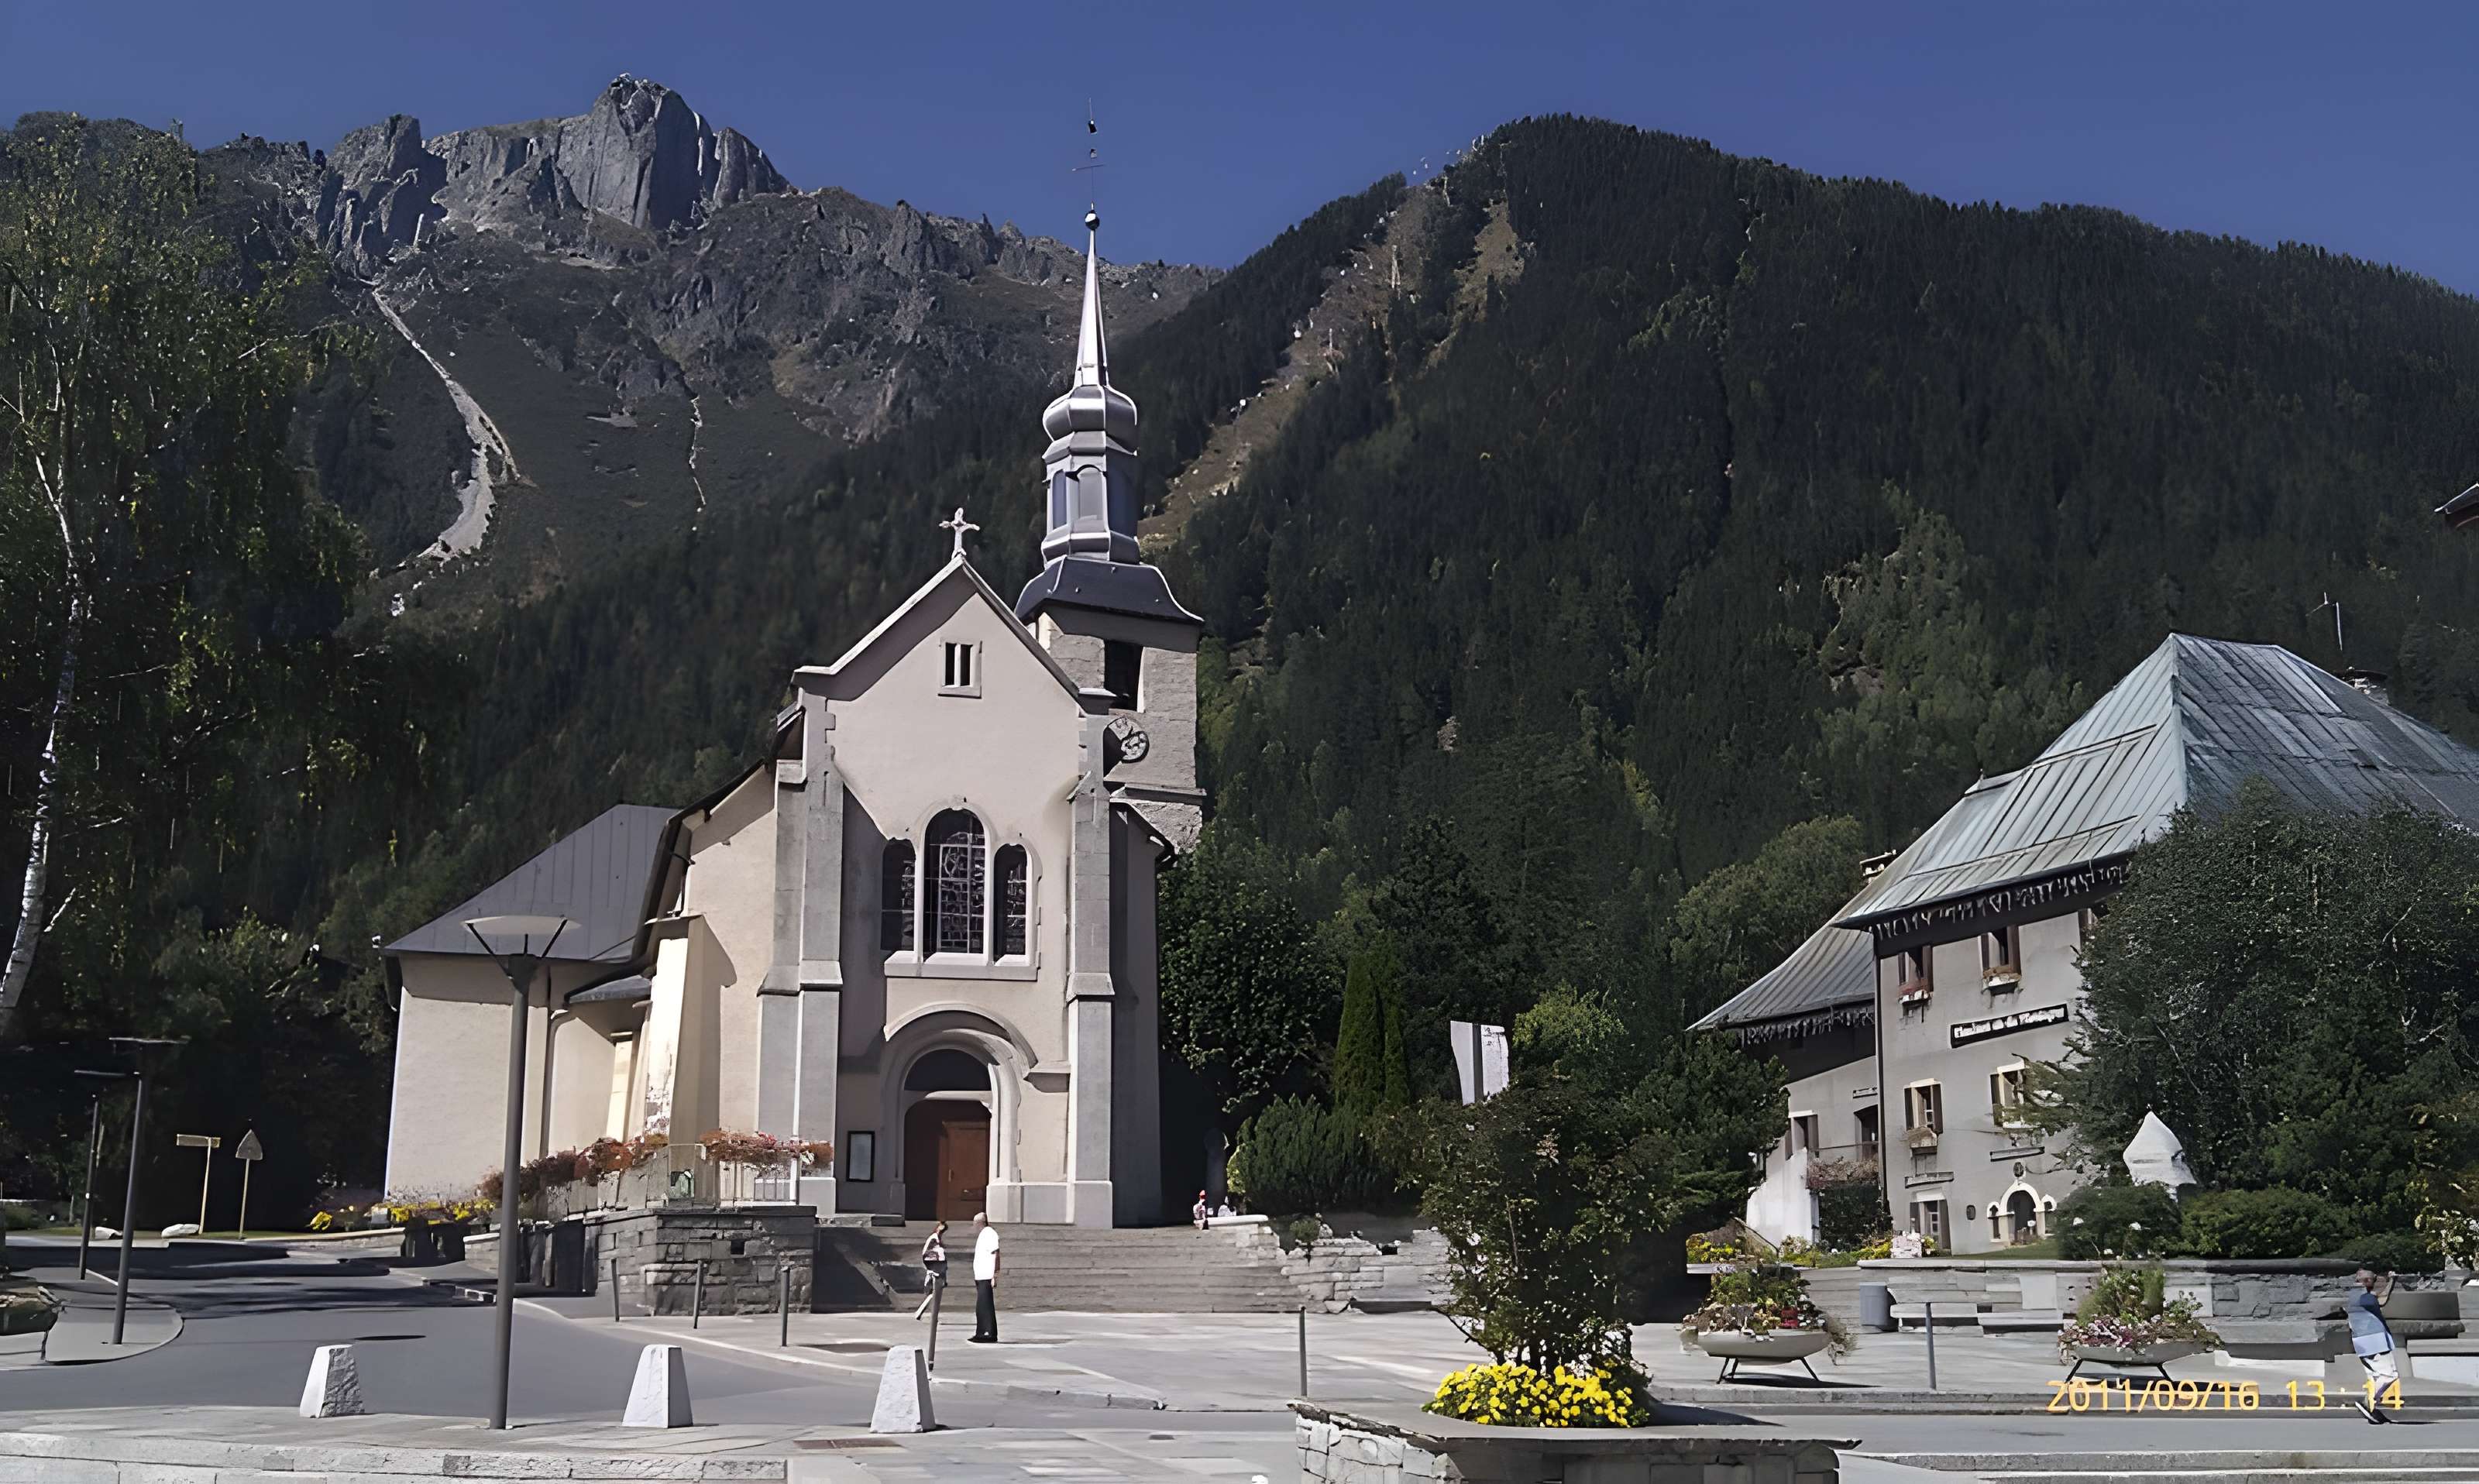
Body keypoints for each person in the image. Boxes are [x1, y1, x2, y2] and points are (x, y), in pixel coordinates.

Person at [2347, 1267, 2400, 1424]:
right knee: (2389, 1375)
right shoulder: (2363, 1296)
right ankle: (2367, 1404)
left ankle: (2371, 1409)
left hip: (2361, 1341)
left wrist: (2391, 1281)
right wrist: (2392, 1281)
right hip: (2374, 1341)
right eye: (2371, 1280)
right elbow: (2382, 1299)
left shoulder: (2353, 1295)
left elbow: (2380, 1299)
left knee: (2375, 1377)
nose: (2373, 1282)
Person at [969, 1211, 1002, 1343]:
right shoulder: (984, 1234)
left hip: (986, 1276)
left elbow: (996, 1254)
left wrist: (995, 1274)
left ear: (980, 1223)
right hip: (981, 1275)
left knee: (985, 1306)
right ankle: (982, 1331)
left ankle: (987, 1333)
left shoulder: (990, 1233)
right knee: (982, 1306)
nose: (974, 1226)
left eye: (975, 1223)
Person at [912, 1221, 947, 1321]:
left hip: (933, 1269)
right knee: (933, 1294)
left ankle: (923, 1313)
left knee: (933, 1294)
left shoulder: (935, 1239)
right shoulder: (934, 1239)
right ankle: (924, 1314)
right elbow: (935, 1256)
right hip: (934, 1270)